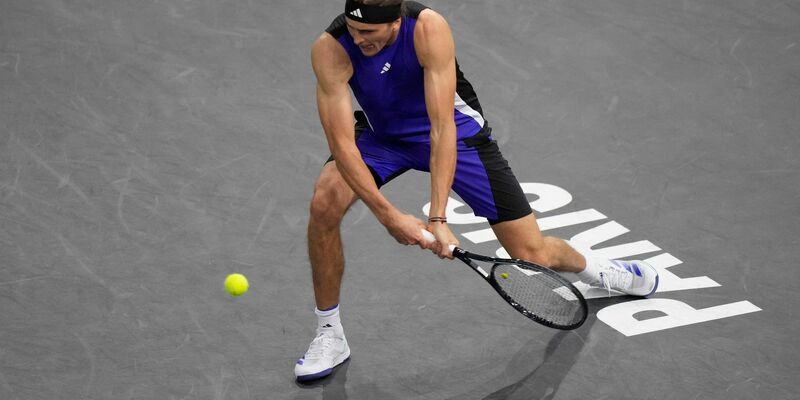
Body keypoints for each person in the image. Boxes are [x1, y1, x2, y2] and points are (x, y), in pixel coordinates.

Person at [295, 0, 659, 381]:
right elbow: (342, 146)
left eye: (368, 32)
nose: (358, 39)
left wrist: (438, 217)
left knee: (530, 252)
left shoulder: (427, 29)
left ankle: (599, 270)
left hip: (458, 136)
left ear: (396, 22)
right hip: (381, 139)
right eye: (354, 30)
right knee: (325, 202)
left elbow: (442, 128)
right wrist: (389, 216)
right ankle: (329, 333)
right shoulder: (331, 48)